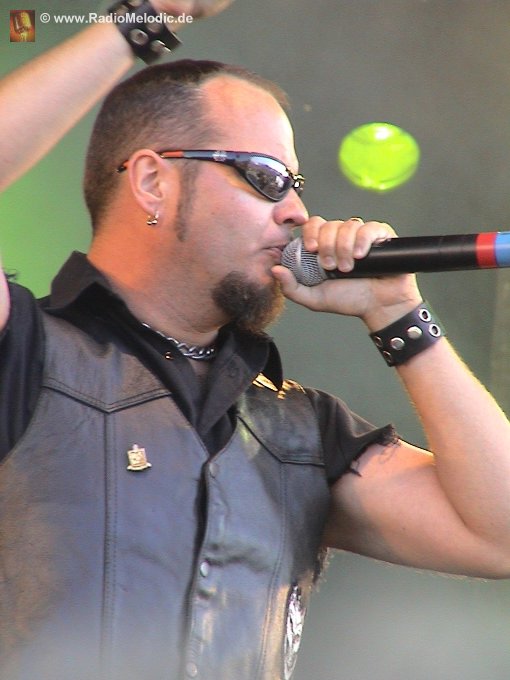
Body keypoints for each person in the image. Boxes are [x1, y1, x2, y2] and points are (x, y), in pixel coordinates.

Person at [1, 2, 510, 679]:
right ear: (152, 181)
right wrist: (142, 19)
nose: (297, 211)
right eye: (267, 178)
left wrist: (400, 315)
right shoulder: (24, 349)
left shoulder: (300, 427)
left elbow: (499, 535)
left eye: (295, 185)